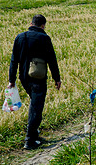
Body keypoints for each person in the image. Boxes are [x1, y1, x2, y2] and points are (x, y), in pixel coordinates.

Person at [8, 14, 61, 150]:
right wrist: (57, 79)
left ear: (31, 23)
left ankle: (35, 134)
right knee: (36, 107)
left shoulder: (20, 37)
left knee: (35, 104)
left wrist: (11, 80)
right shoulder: (44, 38)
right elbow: (52, 60)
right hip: (38, 77)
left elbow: (14, 60)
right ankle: (29, 140)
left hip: (23, 78)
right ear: (42, 25)